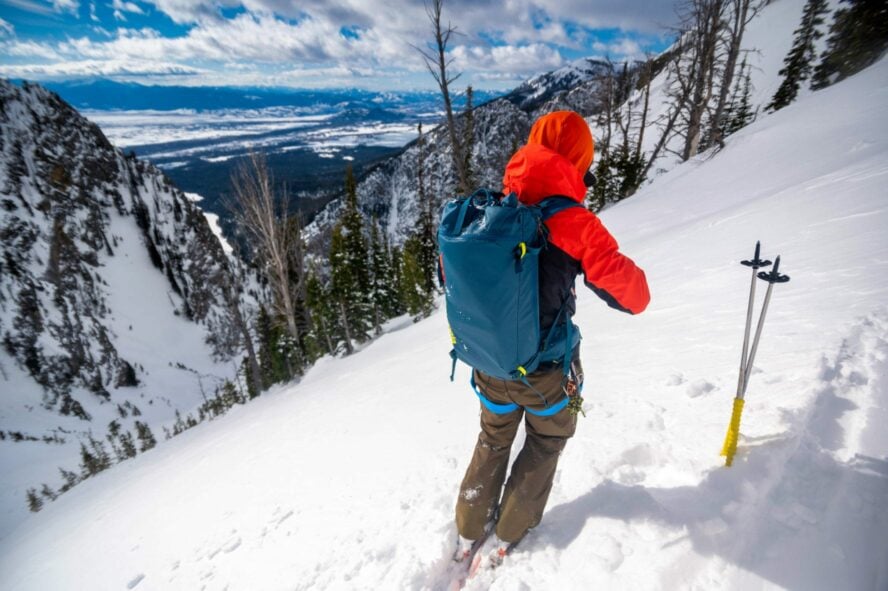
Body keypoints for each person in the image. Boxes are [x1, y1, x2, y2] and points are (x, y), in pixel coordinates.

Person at [453, 110, 651, 569]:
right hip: (546, 374)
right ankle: (507, 534)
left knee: (493, 437)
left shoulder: (493, 209)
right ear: (578, 162)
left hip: (490, 364)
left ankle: (468, 530)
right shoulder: (575, 223)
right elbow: (635, 297)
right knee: (544, 442)